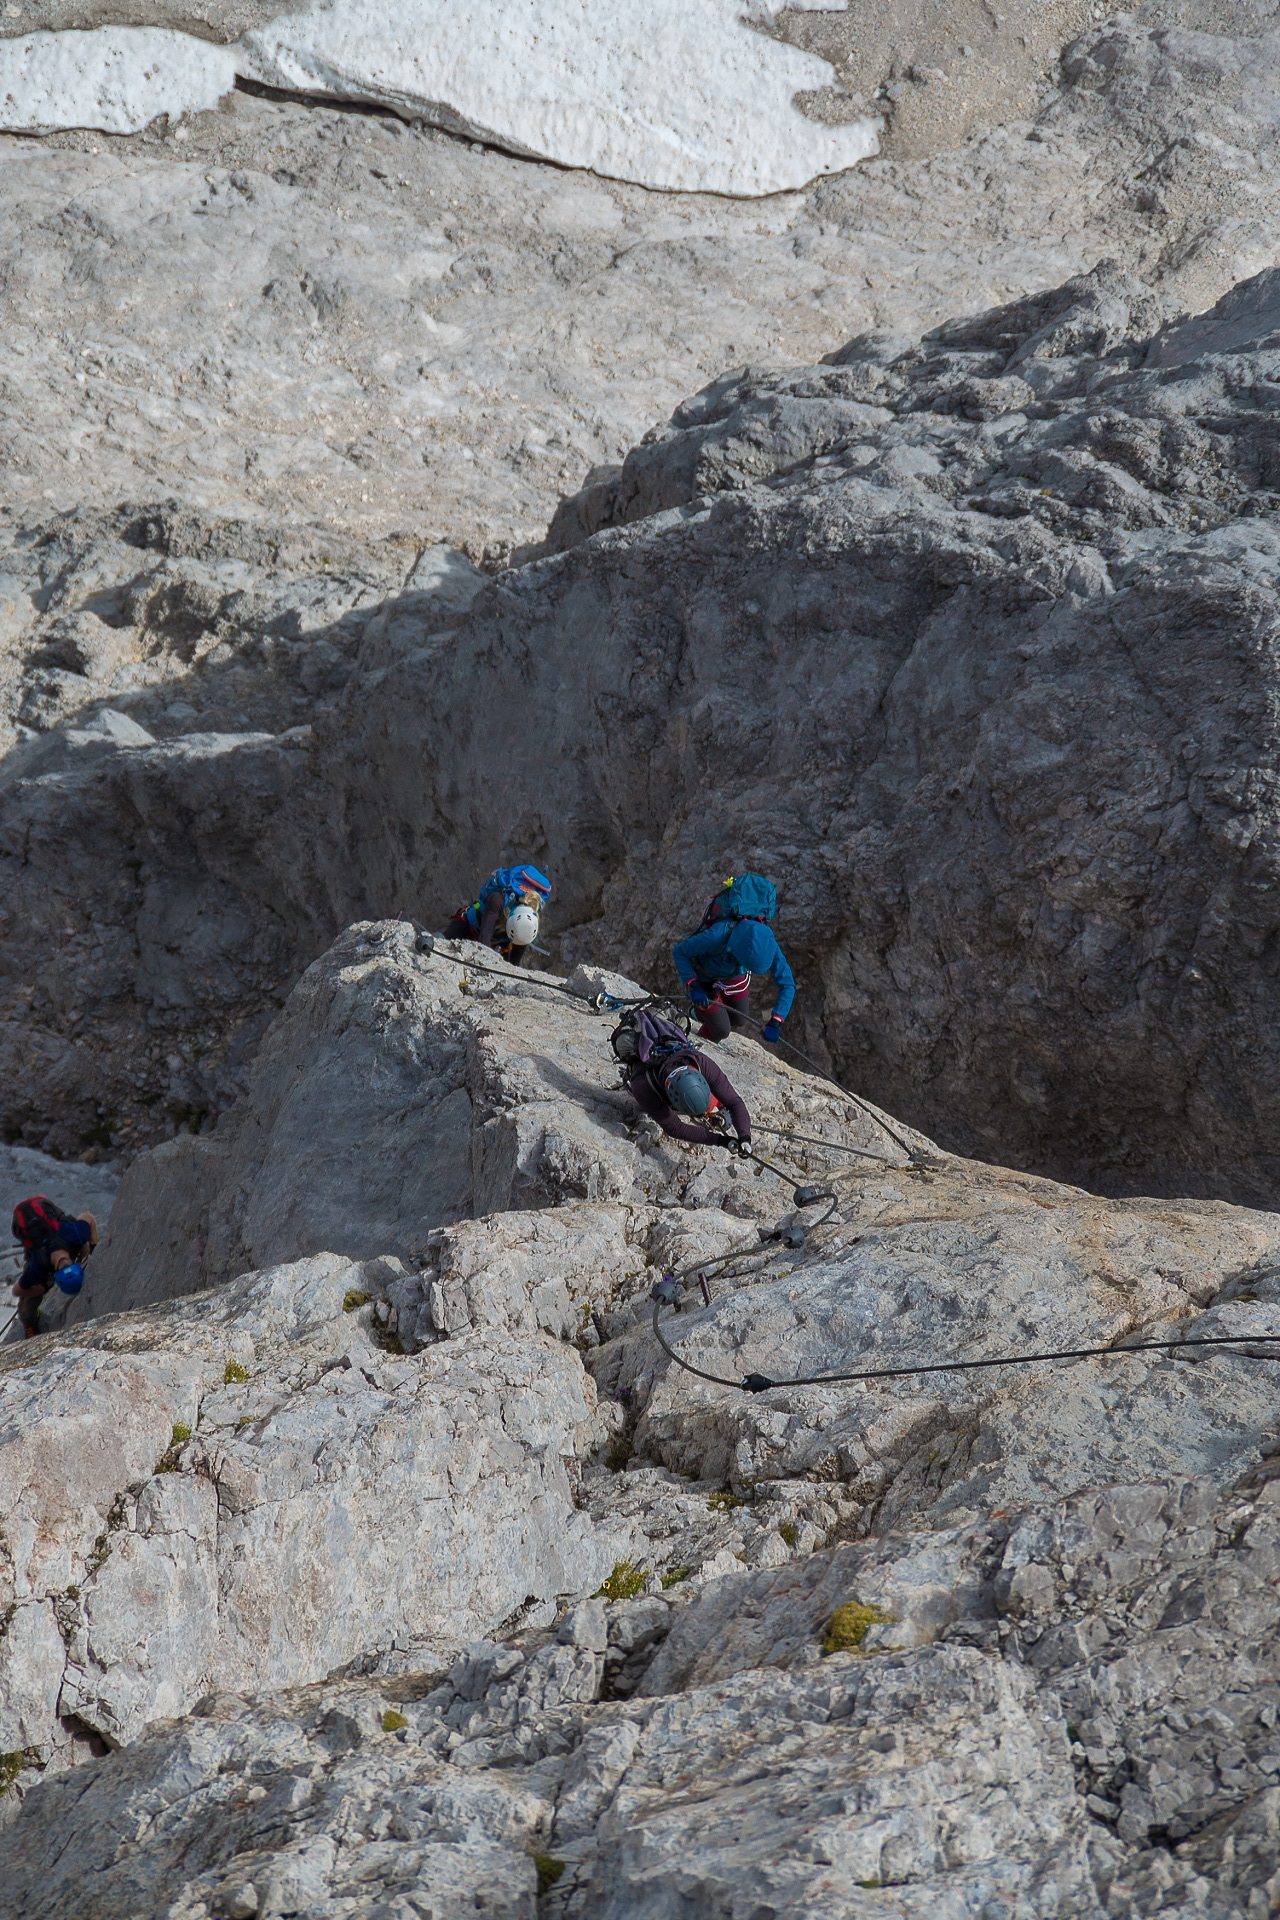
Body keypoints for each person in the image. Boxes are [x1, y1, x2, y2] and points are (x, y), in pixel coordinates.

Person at [672, 872, 795, 1045]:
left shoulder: (767, 942)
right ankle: (698, 1029)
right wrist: (693, 985)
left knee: (739, 1020)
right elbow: (680, 952)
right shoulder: (718, 935)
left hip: (735, 978)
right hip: (705, 980)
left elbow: (787, 984)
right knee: (722, 1029)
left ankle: (708, 1012)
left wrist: (777, 1019)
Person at [614, 1008, 752, 1150]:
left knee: (713, 1103)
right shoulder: (643, 1085)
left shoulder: (699, 1061)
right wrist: (721, 1141)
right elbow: (676, 1128)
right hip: (649, 1073)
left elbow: (734, 1102)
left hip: (670, 1049)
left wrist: (745, 1137)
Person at [10, 1197, 98, 1339]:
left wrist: (93, 1246)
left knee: (83, 1245)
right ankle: (29, 1323)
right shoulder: (38, 1266)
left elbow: (88, 1217)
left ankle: (85, 1250)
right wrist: (41, 1288)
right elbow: (16, 1291)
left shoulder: (75, 1235)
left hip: (43, 1208)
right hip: (23, 1219)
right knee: (27, 1309)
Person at [443, 862, 552, 967]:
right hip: (468, 927)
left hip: (499, 941)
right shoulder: (497, 900)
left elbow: (516, 957)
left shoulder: (529, 922)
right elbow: (484, 943)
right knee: (441, 944)